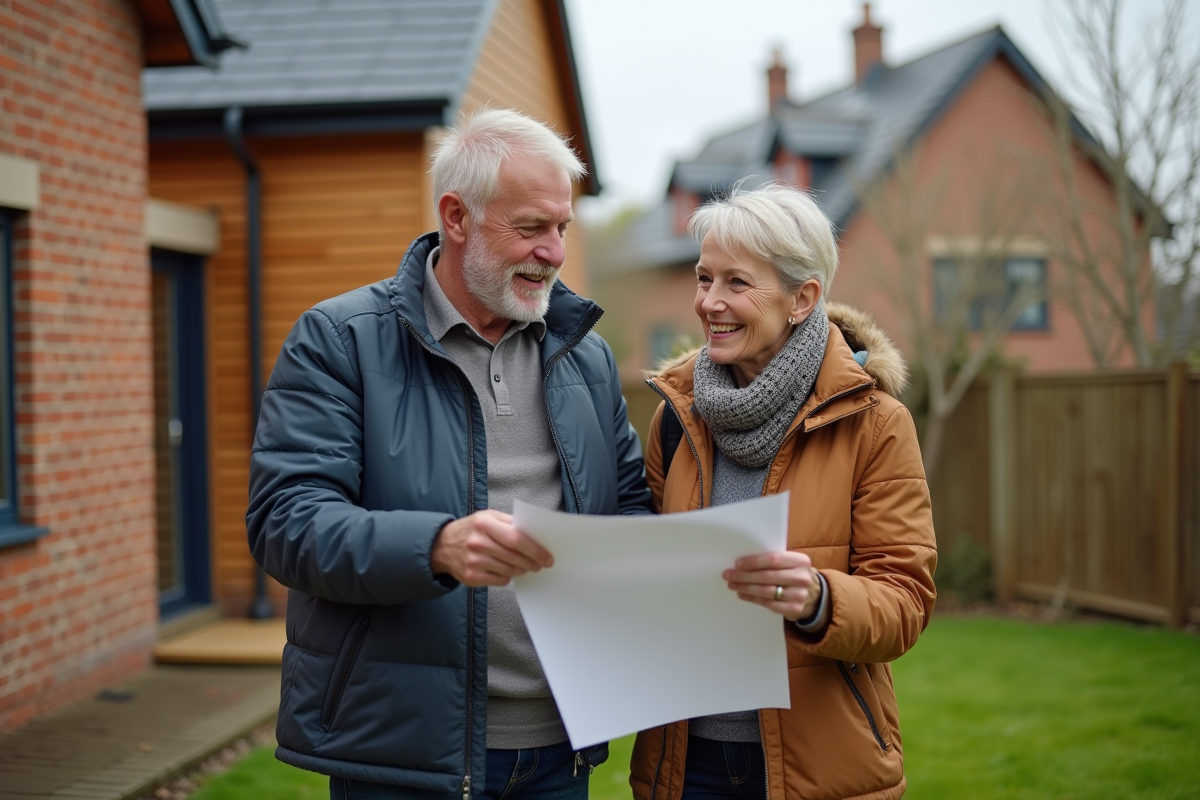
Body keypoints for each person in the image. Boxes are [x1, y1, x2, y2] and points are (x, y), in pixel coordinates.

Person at [247, 107, 653, 800]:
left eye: (561, 228)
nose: (553, 251)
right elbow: (287, 522)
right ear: (456, 218)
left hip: (559, 752)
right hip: (404, 753)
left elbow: (629, 514)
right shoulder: (339, 340)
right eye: (529, 228)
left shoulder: (586, 356)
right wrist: (436, 546)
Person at [629, 184, 937, 800]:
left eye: (737, 284)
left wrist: (819, 599)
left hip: (818, 763)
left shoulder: (874, 423)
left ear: (803, 297)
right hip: (686, 763)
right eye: (703, 277)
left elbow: (905, 598)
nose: (709, 302)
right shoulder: (674, 416)